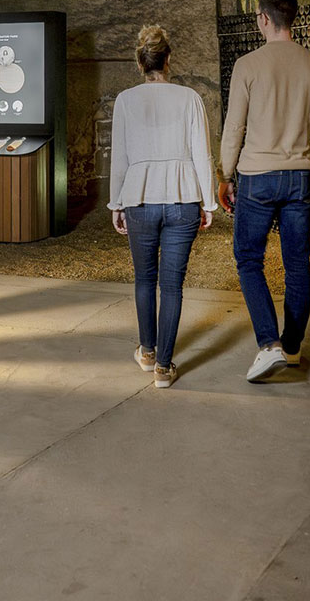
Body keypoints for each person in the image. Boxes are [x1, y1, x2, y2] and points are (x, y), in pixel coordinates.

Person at [218, 0, 310, 382]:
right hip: (300, 176)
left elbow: (235, 126)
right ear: (293, 19)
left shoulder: (247, 65)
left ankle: (268, 345)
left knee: (250, 260)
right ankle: (293, 346)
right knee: (297, 264)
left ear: (264, 19)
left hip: (256, 177)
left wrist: (225, 173)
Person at [109, 25, 217, 388]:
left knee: (144, 279)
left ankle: (148, 351)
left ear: (140, 63)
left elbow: (119, 158)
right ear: (168, 59)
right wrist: (208, 201)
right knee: (172, 284)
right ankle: (164, 368)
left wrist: (116, 202)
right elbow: (202, 153)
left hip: (139, 198)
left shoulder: (125, 100)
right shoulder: (189, 98)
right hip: (183, 198)